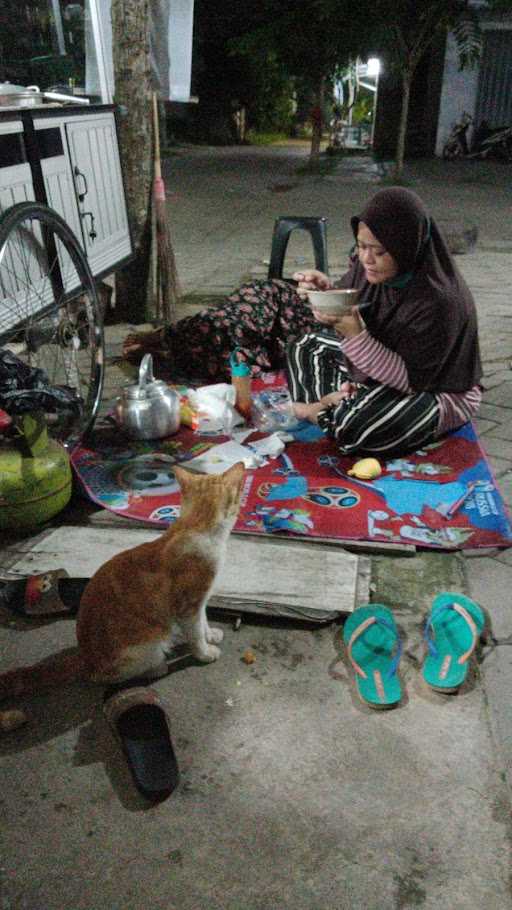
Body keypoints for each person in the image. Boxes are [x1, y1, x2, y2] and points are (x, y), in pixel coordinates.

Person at [123, 187, 482, 457]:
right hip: (375, 372)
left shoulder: (440, 302)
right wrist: (327, 288)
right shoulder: (372, 267)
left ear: (407, 247)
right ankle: (333, 406)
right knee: (305, 346)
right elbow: (353, 292)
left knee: (358, 428)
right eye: (361, 246)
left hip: (434, 390)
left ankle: (321, 410)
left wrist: (356, 337)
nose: (367, 259)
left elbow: (410, 380)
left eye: (380, 251)